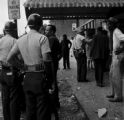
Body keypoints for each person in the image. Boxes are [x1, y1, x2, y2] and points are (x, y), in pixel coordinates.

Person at [7, 13, 55, 120]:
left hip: (28, 78)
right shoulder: (42, 38)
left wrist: (23, 67)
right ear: (40, 25)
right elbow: (47, 59)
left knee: (30, 110)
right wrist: (50, 79)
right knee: (42, 111)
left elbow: (10, 58)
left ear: (29, 25)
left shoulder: (20, 40)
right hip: (40, 77)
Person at [0, 21, 22, 120]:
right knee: (14, 99)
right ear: (14, 30)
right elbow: (20, 58)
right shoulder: (15, 41)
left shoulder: (0, 41)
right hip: (12, 72)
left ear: (5, 30)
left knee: (5, 98)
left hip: (3, 72)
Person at [45, 24, 61, 120]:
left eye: (47, 30)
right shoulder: (55, 39)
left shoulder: (51, 39)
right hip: (53, 64)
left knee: (51, 84)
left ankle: (53, 105)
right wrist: (56, 60)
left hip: (50, 65)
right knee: (53, 82)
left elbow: (47, 53)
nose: (45, 32)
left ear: (52, 31)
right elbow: (60, 53)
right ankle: (56, 103)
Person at [106, 17, 124, 102]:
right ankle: (113, 93)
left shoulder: (117, 31)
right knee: (111, 74)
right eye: (108, 23)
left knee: (116, 76)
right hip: (114, 55)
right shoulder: (113, 32)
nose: (108, 25)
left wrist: (121, 48)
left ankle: (118, 97)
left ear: (113, 24)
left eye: (109, 24)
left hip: (118, 55)